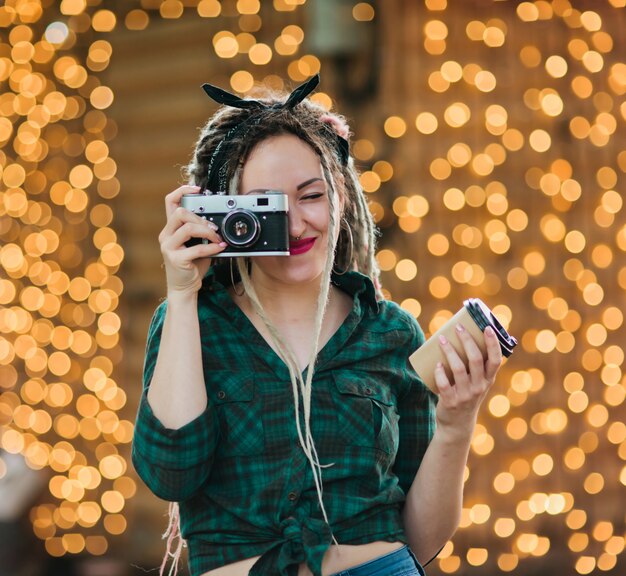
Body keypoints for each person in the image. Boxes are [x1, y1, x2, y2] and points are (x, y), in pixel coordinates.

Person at [131, 75, 503, 576]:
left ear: (342, 198)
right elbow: (171, 474)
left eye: (311, 196)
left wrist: (457, 425)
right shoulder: (192, 323)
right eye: (266, 206)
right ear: (223, 214)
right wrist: (181, 293)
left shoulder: (389, 332)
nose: (296, 224)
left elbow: (422, 540)